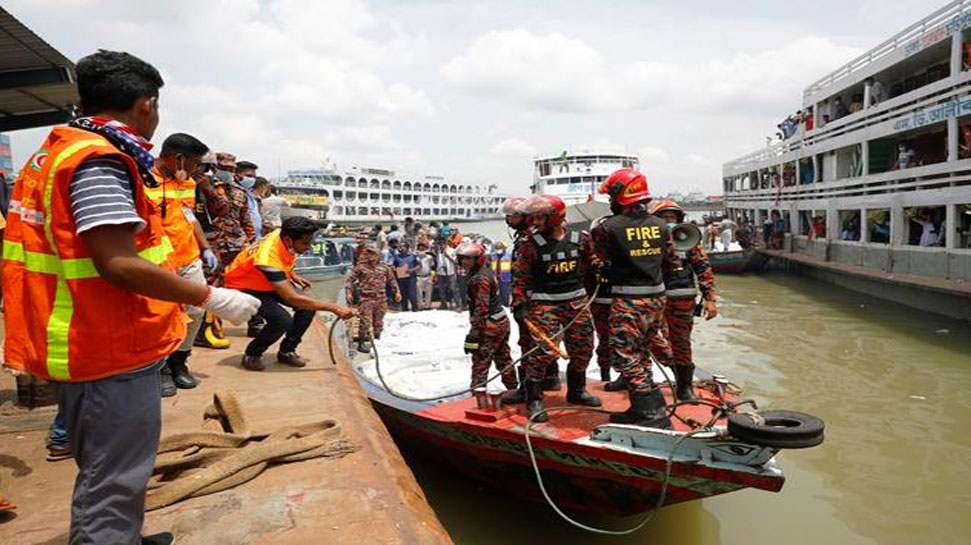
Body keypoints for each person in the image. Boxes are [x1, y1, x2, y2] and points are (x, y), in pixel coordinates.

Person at [2, 49, 261, 545]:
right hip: (107, 342)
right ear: (147, 105)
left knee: (106, 464)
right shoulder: (99, 160)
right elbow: (117, 261)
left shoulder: (55, 150)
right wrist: (211, 297)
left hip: (83, 334)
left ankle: (125, 536)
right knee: (115, 474)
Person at [591, 168, 677, 429]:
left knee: (623, 354)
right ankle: (638, 409)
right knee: (641, 352)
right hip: (656, 298)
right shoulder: (662, 225)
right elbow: (670, 262)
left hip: (628, 300)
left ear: (621, 196)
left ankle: (653, 412)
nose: (610, 202)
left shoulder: (608, 228)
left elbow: (601, 261)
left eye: (612, 197)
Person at [511, 195, 601, 422]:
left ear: (555, 217)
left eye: (540, 217)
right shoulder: (529, 244)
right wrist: (519, 304)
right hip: (544, 304)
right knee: (542, 352)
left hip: (577, 303)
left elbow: (593, 264)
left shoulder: (580, 239)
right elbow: (520, 278)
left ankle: (577, 391)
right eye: (534, 216)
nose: (535, 221)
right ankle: (534, 399)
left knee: (583, 348)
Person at [224, 216, 356, 371]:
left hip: (264, 282)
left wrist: (292, 275)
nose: (308, 247)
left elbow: (284, 259)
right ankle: (252, 353)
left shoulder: (281, 234)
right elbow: (291, 298)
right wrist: (334, 308)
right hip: (243, 285)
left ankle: (287, 350)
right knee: (281, 321)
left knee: (307, 308)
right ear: (288, 240)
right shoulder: (267, 259)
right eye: (305, 243)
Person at [148, 133, 221, 397]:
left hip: (188, 257)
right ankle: (162, 367)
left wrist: (205, 248)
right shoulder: (142, 181)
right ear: (178, 158)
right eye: (195, 162)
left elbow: (190, 218)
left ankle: (180, 361)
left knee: (196, 310)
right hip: (157, 261)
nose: (197, 169)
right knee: (163, 315)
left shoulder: (187, 182)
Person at [648, 200, 718, 401]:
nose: (669, 222)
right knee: (650, 337)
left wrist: (709, 299)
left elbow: (703, 269)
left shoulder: (689, 240)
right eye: (664, 218)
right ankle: (671, 366)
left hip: (682, 297)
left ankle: (685, 387)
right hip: (654, 297)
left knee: (681, 342)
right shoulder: (650, 241)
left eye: (673, 218)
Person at [456, 242, 520, 397]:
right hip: (500, 321)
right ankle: (513, 390)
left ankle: (477, 396)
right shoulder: (483, 272)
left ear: (478, 259)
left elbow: (481, 307)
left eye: (469, 259)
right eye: (462, 259)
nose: (464, 262)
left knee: (481, 362)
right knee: (503, 358)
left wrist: (474, 332)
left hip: (489, 324)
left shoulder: (479, 279)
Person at [346, 246, 400, 353]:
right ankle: (361, 343)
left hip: (381, 298)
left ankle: (377, 341)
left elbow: (392, 280)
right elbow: (349, 281)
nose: (369, 256)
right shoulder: (361, 267)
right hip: (366, 298)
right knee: (365, 322)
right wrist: (349, 293)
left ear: (377, 255)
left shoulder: (384, 267)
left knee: (379, 322)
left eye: (372, 253)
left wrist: (397, 292)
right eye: (368, 253)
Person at [236, 160, 263, 240]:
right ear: (237, 175)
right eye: (249, 176)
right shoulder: (233, 194)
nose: (252, 179)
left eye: (254, 177)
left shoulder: (250, 195)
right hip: (243, 240)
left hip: (255, 239)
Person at [392, 242, 421, 311]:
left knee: (412, 294)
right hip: (401, 278)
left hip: (411, 277)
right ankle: (404, 309)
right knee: (403, 294)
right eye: (400, 247)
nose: (401, 248)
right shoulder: (397, 257)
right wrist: (394, 269)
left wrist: (412, 270)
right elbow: (394, 265)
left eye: (403, 247)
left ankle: (415, 308)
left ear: (407, 248)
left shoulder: (413, 256)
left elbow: (419, 266)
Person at [435, 240, 458, 309]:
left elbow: (455, 261)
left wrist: (447, 255)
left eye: (442, 244)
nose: (441, 246)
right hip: (441, 272)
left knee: (453, 288)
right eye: (440, 245)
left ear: (446, 244)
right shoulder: (438, 251)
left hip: (450, 272)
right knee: (441, 289)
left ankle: (458, 304)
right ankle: (443, 304)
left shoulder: (452, 250)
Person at [490, 241, 513, 306]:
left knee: (505, 294)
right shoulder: (493, 256)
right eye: (497, 248)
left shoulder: (509, 255)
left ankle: (505, 306)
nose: (498, 250)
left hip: (506, 278)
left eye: (500, 248)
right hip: (495, 278)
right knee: (496, 295)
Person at [415, 242, 436, 309]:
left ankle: (427, 306)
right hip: (418, 276)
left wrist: (432, 276)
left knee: (428, 292)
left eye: (423, 248)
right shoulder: (415, 257)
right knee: (419, 292)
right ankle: (420, 306)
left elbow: (432, 266)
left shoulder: (429, 257)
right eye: (420, 248)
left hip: (428, 276)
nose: (421, 250)